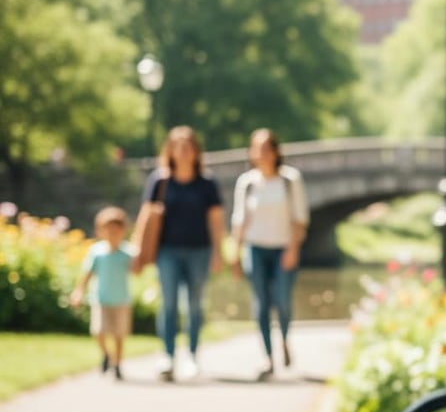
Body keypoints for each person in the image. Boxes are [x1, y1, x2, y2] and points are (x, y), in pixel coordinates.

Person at [135, 125, 224, 382]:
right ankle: (168, 355)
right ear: (170, 151)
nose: (184, 153)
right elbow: (145, 216)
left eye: (188, 148)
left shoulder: (207, 184)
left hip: (200, 250)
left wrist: (218, 253)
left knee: (194, 305)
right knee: (169, 303)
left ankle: (193, 355)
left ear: (196, 152)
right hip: (167, 251)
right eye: (178, 147)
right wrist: (138, 251)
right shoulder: (160, 181)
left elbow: (216, 221)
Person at [231, 129, 310, 380]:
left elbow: (300, 218)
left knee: (282, 301)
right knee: (261, 303)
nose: (263, 154)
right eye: (258, 149)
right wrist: (235, 253)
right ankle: (268, 356)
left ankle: (284, 339)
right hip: (255, 248)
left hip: (283, 247)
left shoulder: (289, 180)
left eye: (267, 148)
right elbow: (240, 220)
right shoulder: (247, 183)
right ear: (252, 153)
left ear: (276, 152)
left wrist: (293, 249)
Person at [70, 206, 135, 381]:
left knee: (119, 335)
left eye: (116, 230)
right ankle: (107, 354)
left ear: (123, 231)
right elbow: (88, 274)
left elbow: (136, 270)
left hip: (121, 300)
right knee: (98, 331)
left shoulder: (128, 252)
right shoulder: (97, 251)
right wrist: (79, 291)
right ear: (100, 231)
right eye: (109, 230)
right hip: (101, 299)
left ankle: (118, 364)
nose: (113, 234)